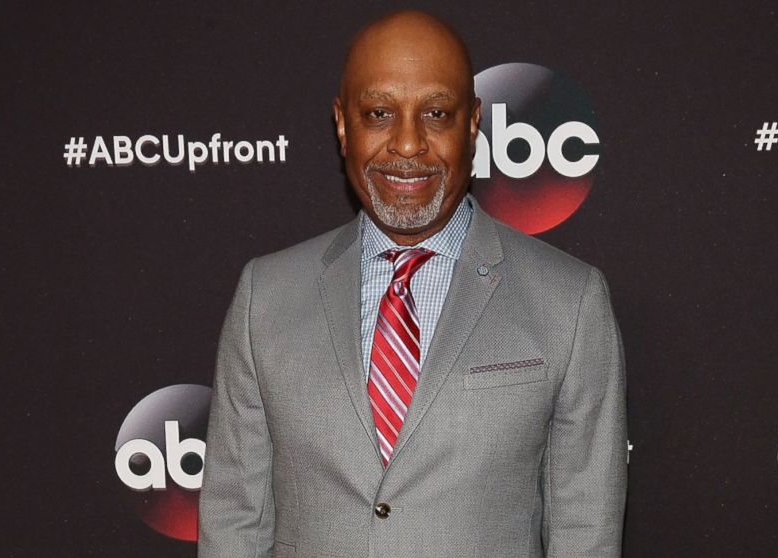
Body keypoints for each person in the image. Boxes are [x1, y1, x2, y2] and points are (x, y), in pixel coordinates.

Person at [198, 10, 626, 558]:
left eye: (436, 113)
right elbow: (235, 523)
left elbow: (585, 532)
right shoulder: (266, 297)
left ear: (472, 125)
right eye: (379, 113)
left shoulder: (569, 302)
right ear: (342, 124)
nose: (407, 144)